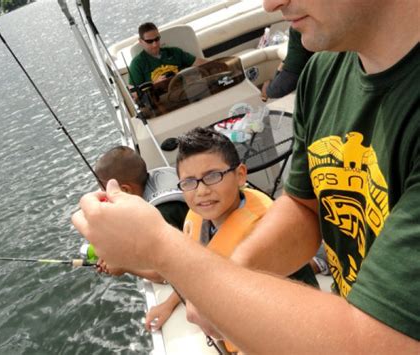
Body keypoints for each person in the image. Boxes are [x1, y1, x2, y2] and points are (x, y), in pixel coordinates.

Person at [72, 0, 419, 352]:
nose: (271, 4)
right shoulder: (324, 72)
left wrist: (162, 250)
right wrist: (228, 282)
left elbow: (383, 342)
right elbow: (304, 207)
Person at [143, 127, 318, 352]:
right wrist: (168, 305)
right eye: (189, 182)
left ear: (240, 175)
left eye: (213, 176)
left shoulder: (267, 231)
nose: (202, 191)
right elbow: (196, 271)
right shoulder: (199, 218)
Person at [93, 146, 188, 279]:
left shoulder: (160, 214)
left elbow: (166, 274)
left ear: (125, 190)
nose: (107, 197)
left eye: (108, 191)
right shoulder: (159, 177)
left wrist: (125, 267)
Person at [128, 22, 206, 87]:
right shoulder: (137, 64)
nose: (155, 44)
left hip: (187, 89)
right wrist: (154, 84)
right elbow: (134, 94)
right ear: (141, 41)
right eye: (149, 41)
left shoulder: (175, 52)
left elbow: (202, 63)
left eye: (157, 39)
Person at [260, 26, 313, 101]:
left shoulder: (298, 29)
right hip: (295, 63)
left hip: (297, 66)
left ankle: (270, 85)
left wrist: (269, 91)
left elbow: (292, 73)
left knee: (272, 91)